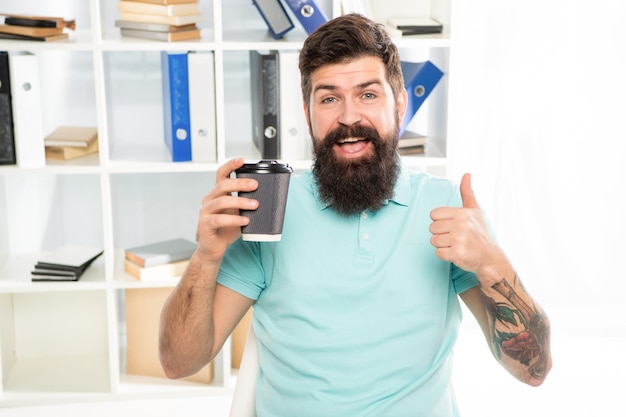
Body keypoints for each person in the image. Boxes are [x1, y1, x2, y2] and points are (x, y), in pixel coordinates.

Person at [159, 13, 552, 416]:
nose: (348, 117)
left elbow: (532, 371)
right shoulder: (271, 209)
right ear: (308, 112)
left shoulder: (445, 206)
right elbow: (179, 363)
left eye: (368, 95)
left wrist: (491, 264)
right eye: (329, 98)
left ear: (399, 105)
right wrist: (206, 257)